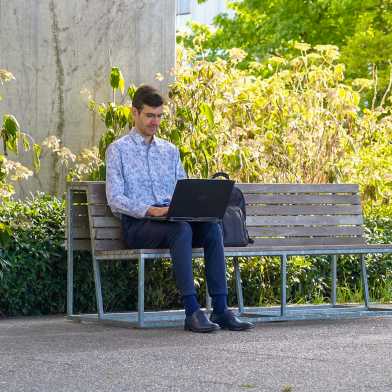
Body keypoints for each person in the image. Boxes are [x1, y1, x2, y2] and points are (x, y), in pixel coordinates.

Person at [106, 85, 254, 333]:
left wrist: (193, 205)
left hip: (173, 218)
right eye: (149, 115)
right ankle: (192, 311)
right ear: (135, 113)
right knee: (181, 229)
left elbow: (184, 189)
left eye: (159, 116)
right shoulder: (118, 150)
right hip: (140, 225)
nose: (155, 121)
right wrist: (150, 210)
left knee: (210, 227)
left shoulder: (170, 151)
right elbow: (115, 199)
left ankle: (220, 308)